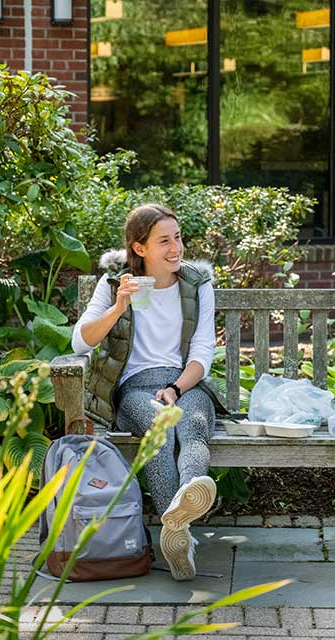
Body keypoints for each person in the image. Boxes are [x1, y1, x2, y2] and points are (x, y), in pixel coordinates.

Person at [71, 203, 221, 581]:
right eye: (164, 241)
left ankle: (177, 526)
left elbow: (202, 352)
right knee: (160, 427)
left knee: (193, 426)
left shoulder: (197, 285)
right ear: (139, 249)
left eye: (179, 237)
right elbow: (79, 343)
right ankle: (180, 529)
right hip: (135, 389)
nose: (177, 248)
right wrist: (119, 305)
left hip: (186, 382)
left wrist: (175, 388)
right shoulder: (114, 286)